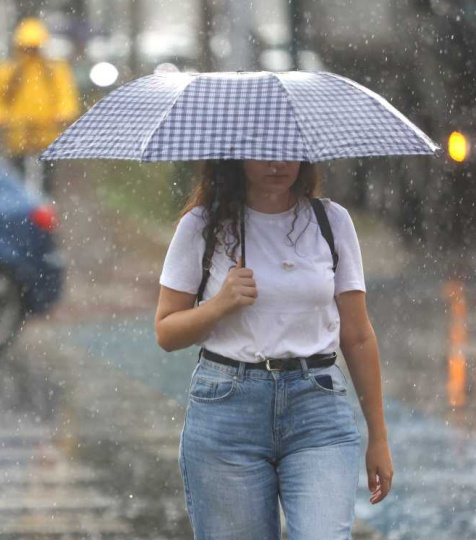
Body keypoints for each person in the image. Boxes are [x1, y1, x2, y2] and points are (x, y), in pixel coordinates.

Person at [155, 160, 393, 539]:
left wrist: (378, 437)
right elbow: (166, 331)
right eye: (264, 150)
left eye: (288, 149)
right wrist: (219, 305)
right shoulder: (202, 226)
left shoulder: (331, 222)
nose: (279, 162)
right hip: (227, 411)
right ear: (237, 153)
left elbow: (358, 335)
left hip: (317, 409)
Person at [0, 17, 80, 195]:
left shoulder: (55, 70)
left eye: (35, 47)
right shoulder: (8, 71)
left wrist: (63, 114)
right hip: (17, 132)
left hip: (46, 132)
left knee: (47, 177)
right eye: (28, 47)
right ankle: (22, 206)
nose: (32, 52)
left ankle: (45, 204)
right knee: (16, 175)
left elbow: (65, 95)